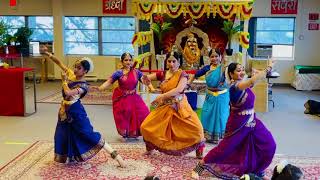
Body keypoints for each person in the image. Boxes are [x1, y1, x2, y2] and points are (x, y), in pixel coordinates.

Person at [40, 45, 125, 167]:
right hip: (64, 111)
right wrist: (47, 53)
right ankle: (71, 157)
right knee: (63, 134)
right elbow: (59, 62)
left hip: (76, 112)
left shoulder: (84, 86)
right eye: (75, 67)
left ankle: (116, 155)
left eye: (78, 68)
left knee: (88, 134)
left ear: (85, 71)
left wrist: (63, 81)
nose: (75, 69)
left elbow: (68, 93)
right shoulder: (70, 74)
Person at [191, 62, 276, 179]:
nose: (241, 72)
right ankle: (200, 166)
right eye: (238, 70)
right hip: (238, 125)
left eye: (242, 69)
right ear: (231, 74)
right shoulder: (234, 87)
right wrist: (268, 68)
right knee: (224, 149)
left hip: (252, 121)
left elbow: (253, 82)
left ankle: (257, 170)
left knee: (268, 144)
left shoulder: (243, 84)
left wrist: (260, 73)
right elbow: (251, 82)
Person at [140, 52, 205, 158]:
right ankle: (150, 149)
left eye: (174, 61)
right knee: (146, 127)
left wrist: (162, 96)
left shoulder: (182, 74)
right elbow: (144, 78)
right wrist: (151, 88)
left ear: (179, 63)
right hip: (164, 106)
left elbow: (179, 89)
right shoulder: (162, 74)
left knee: (197, 129)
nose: (171, 64)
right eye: (169, 61)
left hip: (180, 106)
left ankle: (199, 150)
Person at [96, 52, 150, 140]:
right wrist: (100, 88)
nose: (128, 62)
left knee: (144, 112)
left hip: (134, 97)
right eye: (126, 60)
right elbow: (109, 82)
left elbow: (144, 80)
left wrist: (150, 86)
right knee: (125, 114)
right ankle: (125, 133)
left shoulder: (136, 72)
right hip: (122, 98)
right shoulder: (118, 73)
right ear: (122, 62)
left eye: (130, 60)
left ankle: (135, 132)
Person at [188, 48, 229, 143]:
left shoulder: (225, 68)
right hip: (210, 95)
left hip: (222, 96)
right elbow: (195, 75)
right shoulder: (207, 68)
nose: (214, 58)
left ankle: (219, 136)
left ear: (220, 57)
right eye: (212, 57)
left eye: (216, 56)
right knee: (207, 114)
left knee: (221, 116)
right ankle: (208, 135)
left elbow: (232, 76)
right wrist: (188, 83)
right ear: (209, 58)